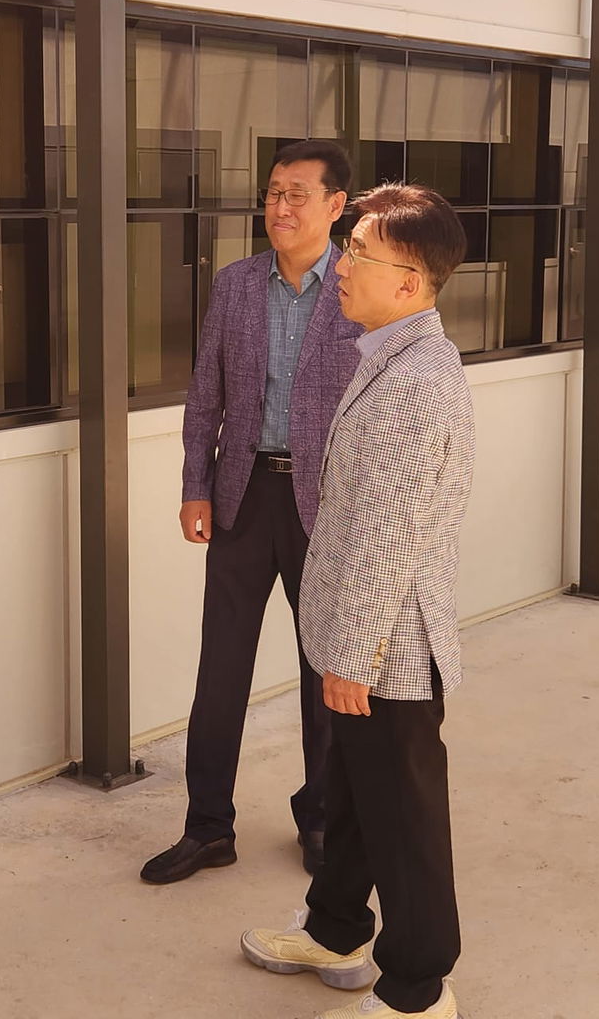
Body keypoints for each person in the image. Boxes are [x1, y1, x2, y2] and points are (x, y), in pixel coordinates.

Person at [239, 183, 474, 1018]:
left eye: (359, 254)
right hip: (359, 636)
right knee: (355, 795)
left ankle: (417, 990)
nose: (341, 267)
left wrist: (353, 657)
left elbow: (386, 534)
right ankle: (336, 930)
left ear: (408, 282)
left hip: (388, 651)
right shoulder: (390, 353)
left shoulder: (416, 382)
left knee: (405, 821)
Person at [141, 139, 366, 885]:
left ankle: (324, 818)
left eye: (299, 193)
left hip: (325, 503)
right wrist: (193, 485)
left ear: (337, 207)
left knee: (322, 671)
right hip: (242, 495)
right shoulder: (236, 284)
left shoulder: (361, 290)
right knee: (221, 667)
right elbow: (206, 393)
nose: (281, 206)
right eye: (274, 192)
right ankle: (208, 827)